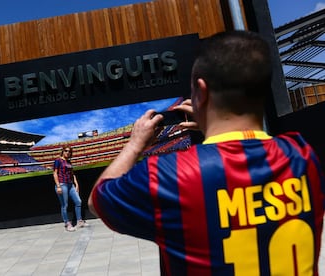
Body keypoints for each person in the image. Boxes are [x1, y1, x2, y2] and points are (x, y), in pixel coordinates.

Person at [88, 30, 325, 275]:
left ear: (200, 91)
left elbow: (97, 201)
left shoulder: (168, 175)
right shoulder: (303, 155)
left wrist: (135, 144)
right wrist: (210, 128)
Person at [53, 145, 88, 232]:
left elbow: (72, 174)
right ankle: (67, 224)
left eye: (69, 151)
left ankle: (79, 221)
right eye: (66, 151)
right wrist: (58, 186)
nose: (67, 152)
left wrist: (76, 184)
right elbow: (55, 173)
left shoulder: (69, 162)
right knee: (65, 205)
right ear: (63, 151)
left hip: (70, 184)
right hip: (62, 184)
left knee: (78, 201)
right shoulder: (58, 160)